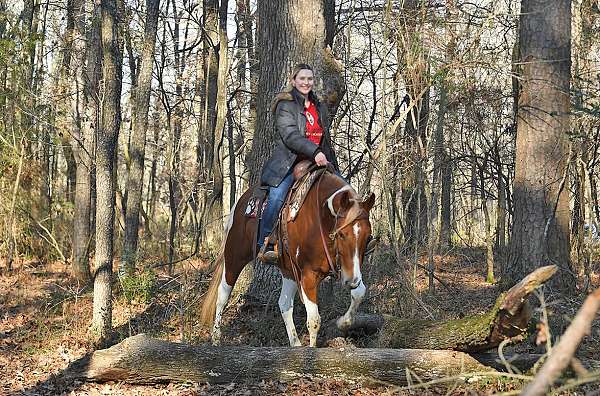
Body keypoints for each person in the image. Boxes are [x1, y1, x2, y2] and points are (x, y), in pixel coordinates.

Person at [258, 63, 339, 262]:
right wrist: (316, 151)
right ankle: (266, 243)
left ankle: (349, 240)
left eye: (309, 79)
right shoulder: (285, 105)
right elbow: (291, 136)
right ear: (293, 81)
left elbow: (324, 138)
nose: (306, 82)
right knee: (277, 197)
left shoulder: (318, 106)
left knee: (345, 191)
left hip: (318, 160)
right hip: (290, 161)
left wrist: (331, 164)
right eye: (302, 78)